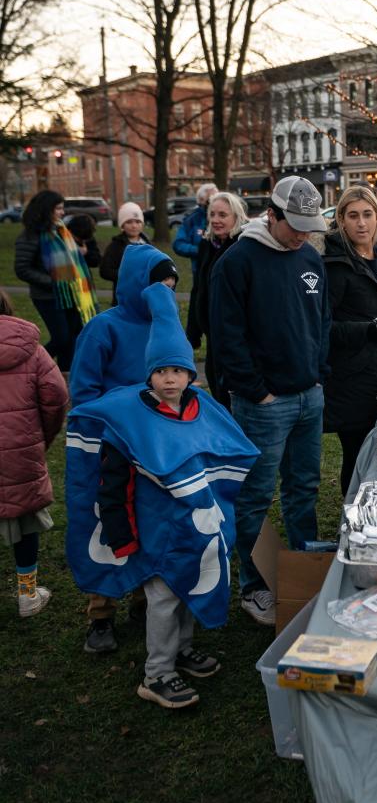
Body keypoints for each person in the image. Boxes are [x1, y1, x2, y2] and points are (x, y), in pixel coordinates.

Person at [65, 283, 259, 709]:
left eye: (178, 371)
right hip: (152, 534)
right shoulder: (128, 419)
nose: (169, 379)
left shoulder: (203, 408)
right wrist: (120, 534)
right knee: (164, 601)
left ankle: (182, 650)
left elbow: (227, 454)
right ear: (148, 374)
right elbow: (111, 487)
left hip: (194, 531)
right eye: (160, 372)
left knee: (188, 593)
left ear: (191, 374)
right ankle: (158, 674)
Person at [209, 175, 330, 626]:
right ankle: (254, 586)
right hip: (264, 403)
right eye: (294, 224)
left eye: (308, 225)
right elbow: (226, 336)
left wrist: (319, 375)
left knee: (304, 489)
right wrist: (256, 389)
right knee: (255, 495)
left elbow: (321, 321)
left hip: (309, 396)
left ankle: (303, 570)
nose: (302, 233)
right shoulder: (238, 261)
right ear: (271, 215)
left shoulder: (310, 258)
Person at [69, 244, 180, 653]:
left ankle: (139, 597)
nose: (165, 296)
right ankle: (101, 612)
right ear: (138, 284)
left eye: (171, 288)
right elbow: (83, 392)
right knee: (105, 524)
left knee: (145, 523)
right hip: (109, 447)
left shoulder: (164, 326)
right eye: (159, 287)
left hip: (152, 449)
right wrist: (119, 421)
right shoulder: (103, 328)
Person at [324, 186, 377, 494]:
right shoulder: (335, 263)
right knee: (357, 453)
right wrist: (371, 329)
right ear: (341, 220)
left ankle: (368, 513)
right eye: (353, 216)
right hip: (348, 376)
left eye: (367, 215)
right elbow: (325, 327)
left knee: (375, 452)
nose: (361, 223)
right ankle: (351, 519)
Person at [0, 288, 69, 617]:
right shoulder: (32, 350)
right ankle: (28, 594)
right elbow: (56, 397)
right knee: (24, 522)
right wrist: (41, 438)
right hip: (20, 452)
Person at [14, 190, 98, 372]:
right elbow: (22, 269)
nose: (62, 212)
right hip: (48, 296)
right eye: (58, 208)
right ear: (46, 210)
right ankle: (28, 368)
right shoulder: (30, 236)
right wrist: (53, 282)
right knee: (61, 338)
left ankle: (64, 375)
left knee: (73, 337)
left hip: (71, 293)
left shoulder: (61, 231)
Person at [188, 191, 246, 406]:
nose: (215, 220)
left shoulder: (243, 246)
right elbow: (198, 288)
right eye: (212, 214)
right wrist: (193, 332)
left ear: (236, 216)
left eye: (222, 215)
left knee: (233, 392)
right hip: (213, 335)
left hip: (236, 336)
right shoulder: (207, 245)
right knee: (217, 389)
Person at [175, 183, 219, 347]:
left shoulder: (222, 216)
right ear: (201, 200)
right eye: (210, 199)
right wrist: (200, 250)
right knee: (200, 306)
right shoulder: (192, 219)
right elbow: (178, 244)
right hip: (199, 273)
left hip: (220, 272)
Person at [100, 202, 151, 306]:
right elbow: (105, 271)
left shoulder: (148, 244)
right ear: (122, 225)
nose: (134, 226)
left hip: (145, 297)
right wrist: (126, 275)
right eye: (129, 222)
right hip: (124, 298)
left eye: (137, 222)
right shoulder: (115, 246)